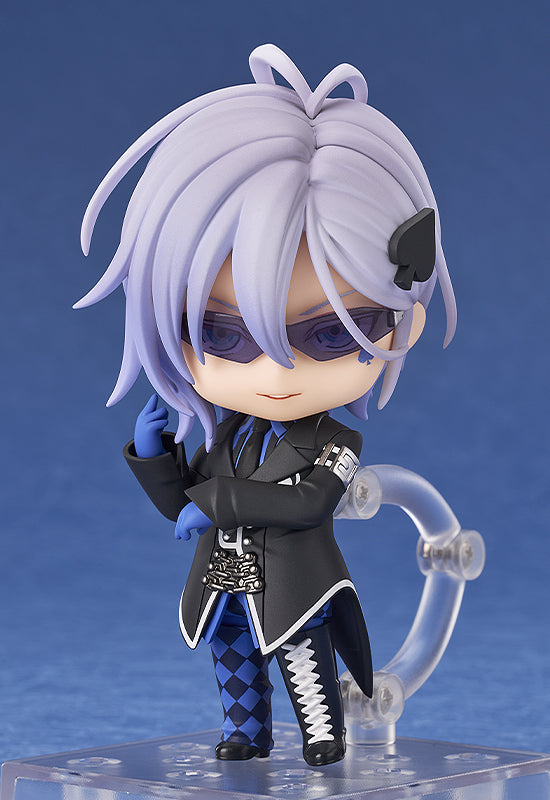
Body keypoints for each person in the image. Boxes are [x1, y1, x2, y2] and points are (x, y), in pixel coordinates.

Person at [76, 44, 456, 766]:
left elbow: (307, 503)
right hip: (224, 583)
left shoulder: (334, 442)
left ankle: (323, 737)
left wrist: (212, 502)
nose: (277, 370)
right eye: (221, 335)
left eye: (330, 333)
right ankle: (245, 733)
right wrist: (156, 459)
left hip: (296, 587)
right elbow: (183, 505)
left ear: (401, 322)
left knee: (305, 666)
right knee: (233, 665)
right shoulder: (228, 435)